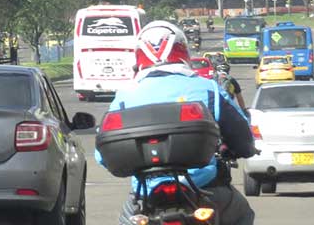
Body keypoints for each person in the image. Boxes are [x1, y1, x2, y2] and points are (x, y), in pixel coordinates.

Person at [99, 21, 256, 225]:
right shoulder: (208, 89)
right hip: (204, 186)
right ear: (183, 50)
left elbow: (102, 155)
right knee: (243, 215)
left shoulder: (123, 97)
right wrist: (241, 149)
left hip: (145, 195)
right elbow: (243, 139)